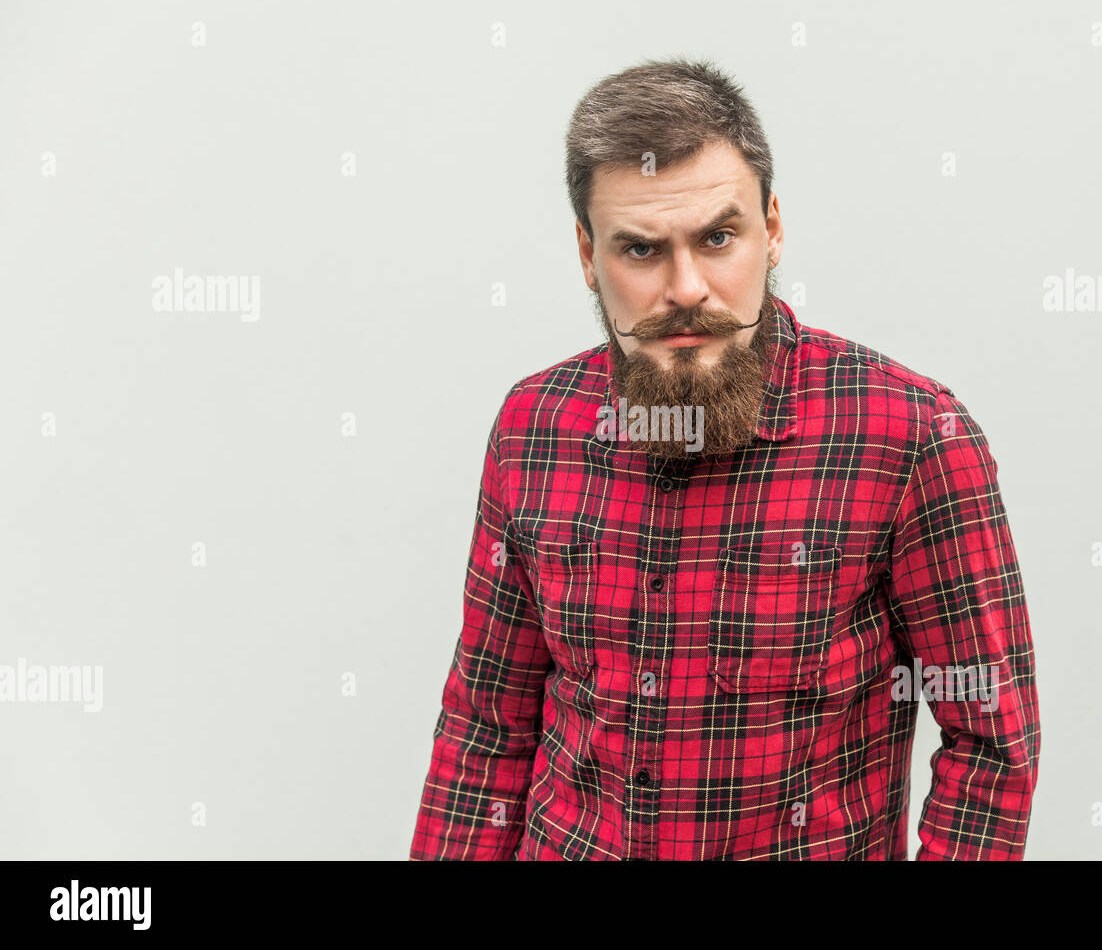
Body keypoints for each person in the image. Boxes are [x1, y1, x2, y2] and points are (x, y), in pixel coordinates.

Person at [409, 57, 1040, 860]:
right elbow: (483, 729)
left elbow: (991, 745)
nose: (687, 288)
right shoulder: (532, 427)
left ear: (772, 229)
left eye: (717, 238)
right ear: (585, 253)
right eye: (640, 250)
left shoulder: (912, 435)